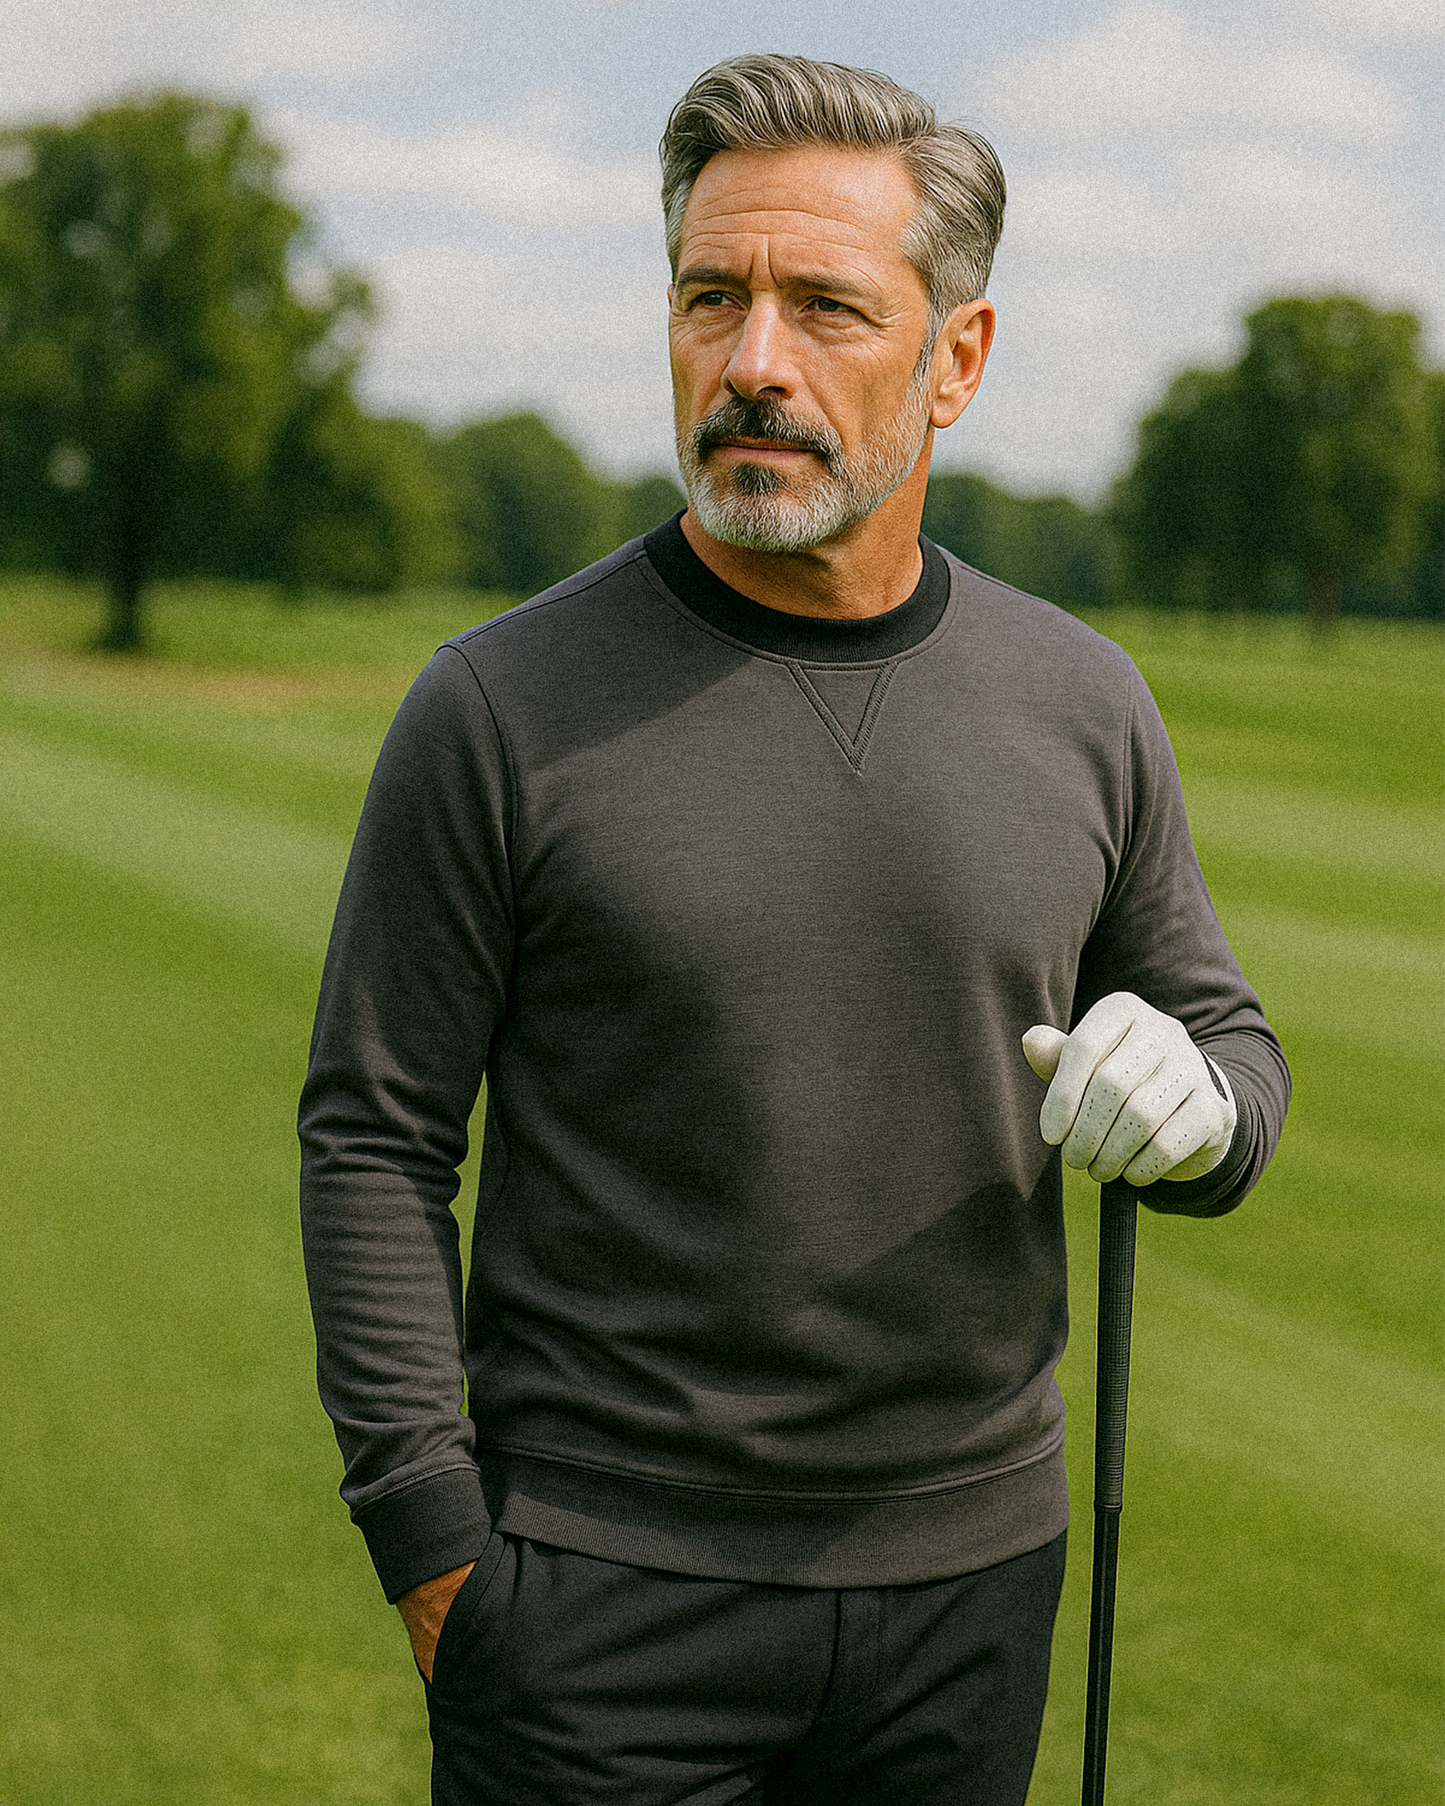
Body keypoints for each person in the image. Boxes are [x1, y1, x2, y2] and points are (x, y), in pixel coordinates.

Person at [299, 53, 1290, 1806]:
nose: (753, 359)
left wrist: (1204, 1100)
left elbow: (1230, 1051)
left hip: (970, 1600)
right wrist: (436, 1550)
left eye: (827, 304)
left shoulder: (1086, 702)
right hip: (595, 1605)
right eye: (710, 297)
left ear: (954, 357)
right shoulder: (495, 707)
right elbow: (373, 1137)